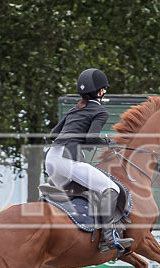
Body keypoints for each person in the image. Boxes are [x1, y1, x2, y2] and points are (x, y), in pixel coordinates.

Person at [45, 68, 132, 253]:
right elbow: (92, 137)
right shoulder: (100, 111)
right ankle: (108, 237)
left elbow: (53, 134)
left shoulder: (74, 109)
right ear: (100, 91)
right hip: (67, 160)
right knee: (112, 189)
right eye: (104, 89)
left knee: (82, 191)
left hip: (51, 159)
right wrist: (107, 142)